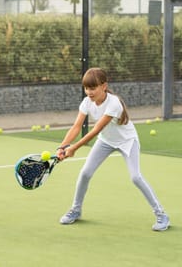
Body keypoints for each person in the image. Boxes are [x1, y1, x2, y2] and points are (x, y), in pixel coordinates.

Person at [56, 67, 170, 231]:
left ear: (104, 86)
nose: (89, 92)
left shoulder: (114, 103)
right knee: (85, 173)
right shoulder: (87, 102)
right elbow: (76, 126)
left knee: (136, 177)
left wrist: (74, 148)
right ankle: (76, 210)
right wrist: (62, 146)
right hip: (106, 141)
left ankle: (161, 215)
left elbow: (96, 130)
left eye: (93, 88)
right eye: (86, 88)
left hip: (127, 141)